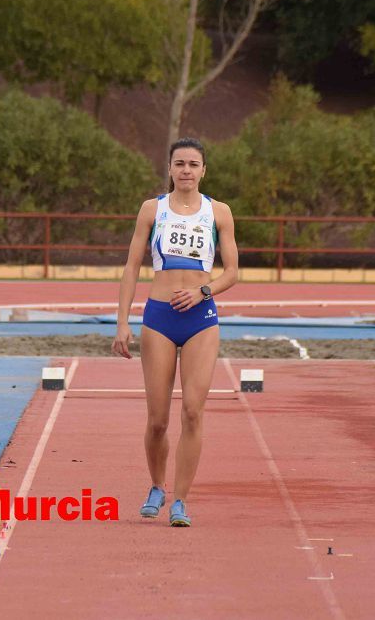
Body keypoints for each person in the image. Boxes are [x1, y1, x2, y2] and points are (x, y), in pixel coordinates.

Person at [112, 137, 238, 527]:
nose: (186, 170)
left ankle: (180, 500)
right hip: (159, 317)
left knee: (193, 412)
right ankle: (156, 486)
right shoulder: (153, 209)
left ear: (204, 171)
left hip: (200, 318)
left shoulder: (219, 212)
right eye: (179, 163)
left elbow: (232, 272)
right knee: (158, 420)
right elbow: (132, 266)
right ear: (169, 169)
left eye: (193, 164)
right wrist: (122, 322)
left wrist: (204, 291)